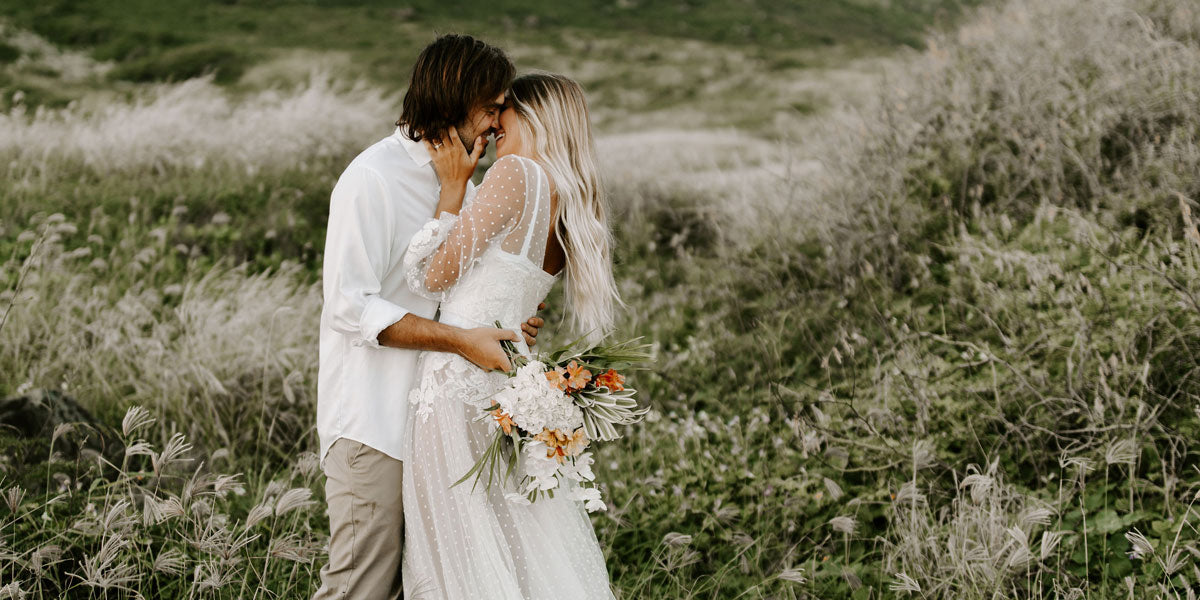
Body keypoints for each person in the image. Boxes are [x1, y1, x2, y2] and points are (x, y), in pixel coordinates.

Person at [313, 35, 545, 600]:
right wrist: (462, 341)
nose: (497, 123)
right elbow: (349, 306)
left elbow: (456, 286)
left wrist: (502, 321)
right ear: (454, 99)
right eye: (490, 107)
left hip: (439, 428)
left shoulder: (468, 180)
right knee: (360, 589)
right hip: (375, 424)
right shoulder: (373, 178)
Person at [401, 72, 620, 599]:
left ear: (535, 118)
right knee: (516, 540)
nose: (495, 122)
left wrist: (453, 188)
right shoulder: (571, 202)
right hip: (508, 386)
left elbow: (431, 276)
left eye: (506, 110)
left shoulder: (517, 174)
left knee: (461, 551)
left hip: (456, 384)